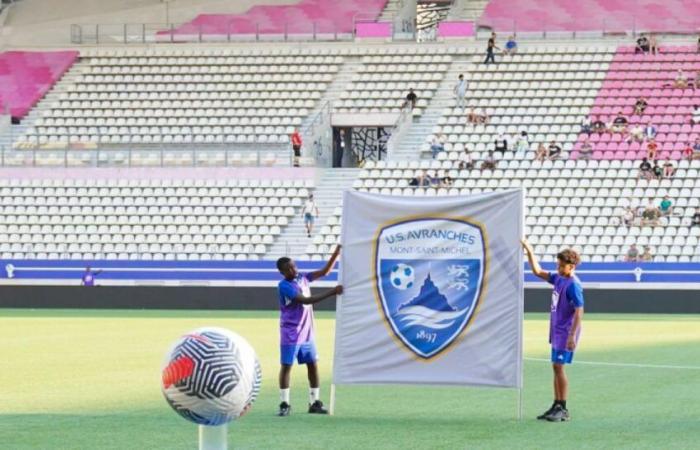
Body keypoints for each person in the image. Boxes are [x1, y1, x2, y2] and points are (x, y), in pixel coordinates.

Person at [276, 246, 343, 417]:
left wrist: (337, 252)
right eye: (288, 268)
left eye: (294, 266)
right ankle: (284, 403)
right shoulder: (284, 286)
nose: (293, 270)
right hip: (291, 332)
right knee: (287, 366)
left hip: (307, 332)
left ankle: (314, 402)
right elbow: (306, 300)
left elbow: (325, 272)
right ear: (282, 272)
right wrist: (333, 292)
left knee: (312, 364)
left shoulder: (303, 278)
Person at [521, 240, 584, 423]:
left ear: (571, 266)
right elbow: (537, 271)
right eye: (557, 264)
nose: (558, 268)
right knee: (556, 367)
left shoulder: (573, 284)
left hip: (566, 332)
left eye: (561, 265)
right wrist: (530, 251)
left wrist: (572, 335)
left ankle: (563, 408)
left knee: (559, 367)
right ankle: (556, 405)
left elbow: (579, 310)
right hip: (557, 331)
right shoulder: (559, 278)